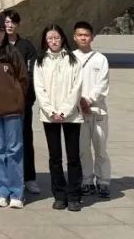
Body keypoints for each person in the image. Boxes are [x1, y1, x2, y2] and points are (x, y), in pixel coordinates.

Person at [35, 24, 84, 212]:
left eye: (56, 38)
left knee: (73, 157)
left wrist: (63, 111)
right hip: (49, 116)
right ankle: (59, 195)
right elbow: (39, 89)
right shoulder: (41, 61)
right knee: (55, 157)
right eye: (50, 38)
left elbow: (76, 88)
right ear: (45, 41)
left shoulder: (73, 60)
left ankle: (74, 196)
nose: (54, 41)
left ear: (62, 38)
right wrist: (50, 111)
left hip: (71, 115)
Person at [0, 17, 28, 209]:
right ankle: (2, 191)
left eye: (0, 30)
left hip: (12, 110)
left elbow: (23, 78)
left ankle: (17, 193)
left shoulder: (13, 52)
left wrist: (17, 98)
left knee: (14, 150)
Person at [73, 21, 111, 199]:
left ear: (92, 37)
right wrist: (79, 102)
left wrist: (88, 100)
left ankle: (103, 181)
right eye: (80, 35)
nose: (83, 38)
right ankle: (86, 180)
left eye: (86, 35)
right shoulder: (70, 58)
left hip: (97, 111)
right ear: (74, 37)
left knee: (100, 148)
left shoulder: (100, 59)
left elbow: (102, 84)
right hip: (78, 112)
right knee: (83, 149)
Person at [4, 9, 40, 195]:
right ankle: (8, 179)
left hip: (22, 101)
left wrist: (27, 97)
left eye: (12, 22)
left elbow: (32, 74)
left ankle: (29, 178)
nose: (9, 25)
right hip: (3, 102)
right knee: (5, 142)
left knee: (25, 138)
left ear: (18, 25)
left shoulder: (26, 46)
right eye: (6, 22)